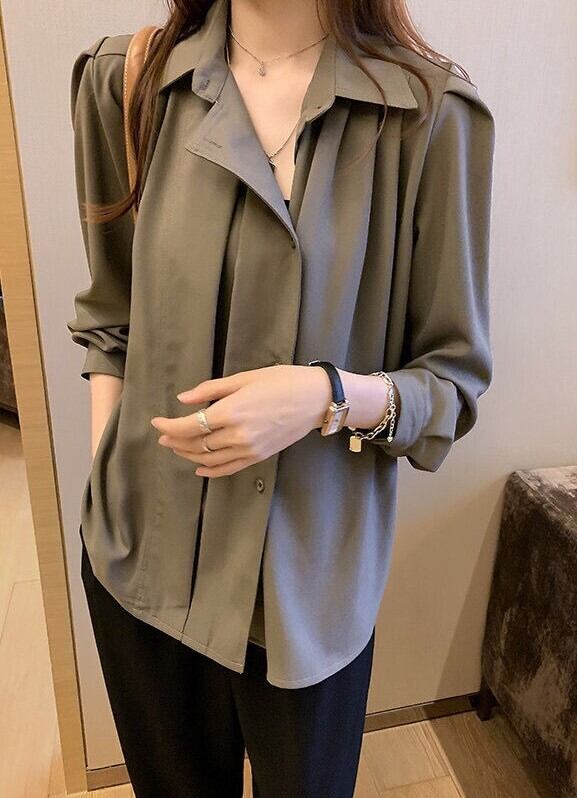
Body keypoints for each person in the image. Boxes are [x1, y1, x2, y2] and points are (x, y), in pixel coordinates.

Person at [67, 0, 496, 795]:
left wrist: (323, 395)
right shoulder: (126, 83)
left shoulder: (428, 117)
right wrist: (108, 484)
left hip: (306, 592)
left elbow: (450, 385)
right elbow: (111, 319)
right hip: (141, 561)